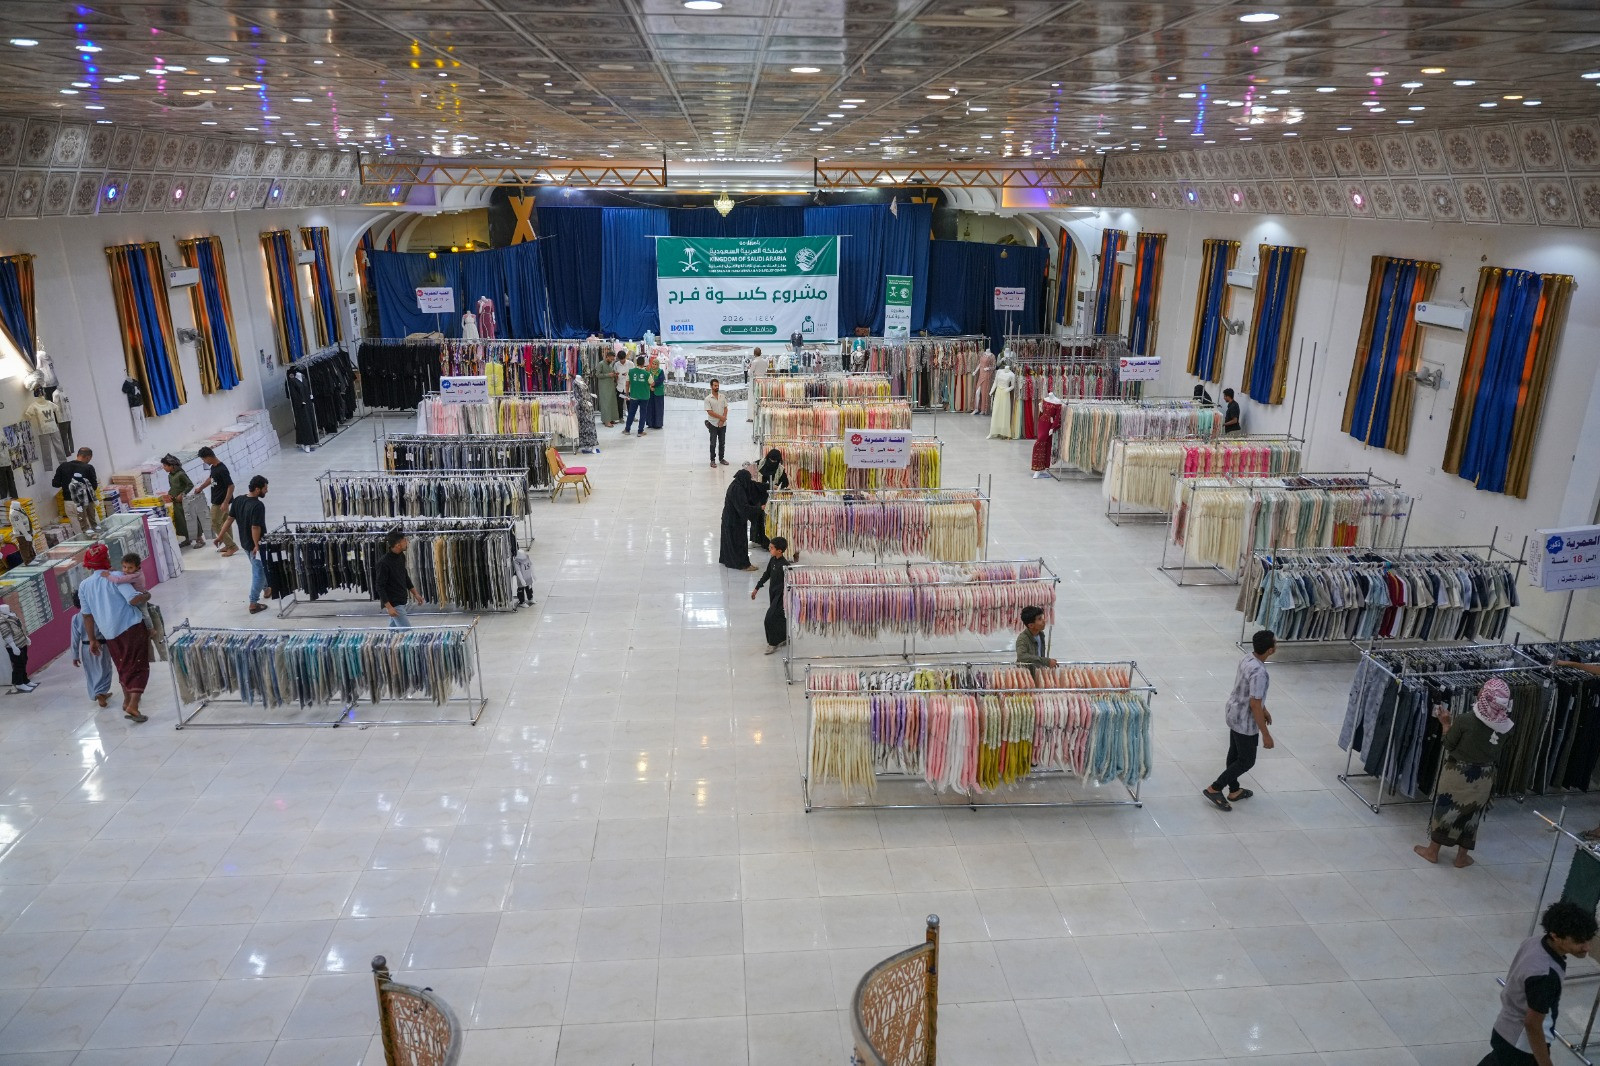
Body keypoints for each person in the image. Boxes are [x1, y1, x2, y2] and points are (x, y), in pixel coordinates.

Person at [1480, 900, 1596, 1066]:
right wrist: (1545, 1063)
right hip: (1522, 1046)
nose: (1587, 947)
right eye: (1579, 941)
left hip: (1504, 1029)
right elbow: (1532, 1024)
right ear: (1556, 936)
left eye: (1588, 940)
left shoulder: (1534, 942)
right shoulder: (1546, 976)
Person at [1414, 677, 1514, 869]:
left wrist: (1445, 724)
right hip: (1485, 778)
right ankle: (1461, 858)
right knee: (1472, 816)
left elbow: (1448, 744)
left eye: (1483, 689)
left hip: (1457, 774)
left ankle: (1432, 852)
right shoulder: (1507, 727)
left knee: (1445, 812)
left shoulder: (1466, 720)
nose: (1479, 691)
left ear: (1485, 696)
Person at [77, 544, 152, 723]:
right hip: (131, 628)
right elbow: (133, 599)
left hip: (109, 634)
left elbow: (87, 616)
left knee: (123, 666)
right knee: (139, 667)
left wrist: (92, 639)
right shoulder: (117, 577)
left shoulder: (84, 586)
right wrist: (146, 596)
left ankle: (126, 701)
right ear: (106, 559)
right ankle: (133, 705)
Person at [1203, 629, 1276, 811]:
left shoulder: (1247, 658)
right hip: (1245, 722)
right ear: (1270, 650)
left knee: (1235, 753)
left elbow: (1250, 693)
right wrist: (1266, 734)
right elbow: (1254, 704)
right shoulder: (1260, 672)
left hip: (1234, 712)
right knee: (1246, 760)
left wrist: (1264, 708)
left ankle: (1234, 790)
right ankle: (1215, 788)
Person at [215, 475, 270, 614]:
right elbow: (255, 527)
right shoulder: (258, 505)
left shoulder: (238, 500)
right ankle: (253, 603)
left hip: (245, 543)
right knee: (258, 572)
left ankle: (267, 589)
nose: (267, 491)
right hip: (255, 545)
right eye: (265, 488)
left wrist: (220, 536)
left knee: (259, 568)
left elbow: (229, 519)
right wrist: (257, 545)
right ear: (257, 489)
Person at [69, 590, 114, 707]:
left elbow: (74, 639)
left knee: (91, 671)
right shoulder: (98, 614)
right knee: (105, 669)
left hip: (85, 648)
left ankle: (99, 692)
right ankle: (100, 693)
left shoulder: (75, 618)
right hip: (101, 645)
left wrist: (75, 655)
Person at [192, 446, 236, 555]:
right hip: (219, 500)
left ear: (208, 457)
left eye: (203, 459)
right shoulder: (214, 467)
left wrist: (225, 502)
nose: (204, 462)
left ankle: (232, 546)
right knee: (226, 522)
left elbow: (231, 486)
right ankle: (229, 545)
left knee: (214, 523)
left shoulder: (222, 469)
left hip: (220, 502)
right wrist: (200, 488)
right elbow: (211, 479)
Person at [719, 469, 765, 572]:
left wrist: (769, 486)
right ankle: (743, 565)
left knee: (730, 541)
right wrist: (759, 508)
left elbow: (753, 485)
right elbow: (743, 508)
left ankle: (727, 560)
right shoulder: (737, 490)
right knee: (739, 542)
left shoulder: (736, 484)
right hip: (735, 521)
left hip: (728, 518)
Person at [376, 529, 423, 628]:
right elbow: (380, 586)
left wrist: (415, 594)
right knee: (407, 633)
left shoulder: (401, 556)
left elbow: (405, 576)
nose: (407, 542)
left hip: (402, 599)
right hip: (394, 603)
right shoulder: (383, 563)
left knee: (394, 632)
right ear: (398, 545)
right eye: (404, 541)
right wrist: (389, 607)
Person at [752, 536, 790, 654]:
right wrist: (757, 588)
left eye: (772, 548)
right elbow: (767, 574)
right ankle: (783, 638)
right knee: (780, 617)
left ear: (779, 551)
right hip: (773, 594)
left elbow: (791, 583)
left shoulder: (786, 566)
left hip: (781, 597)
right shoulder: (773, 560)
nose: (769, 549)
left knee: (769, 619)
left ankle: (772, 643)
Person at [158, 454, 202, 548]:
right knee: (181, 521)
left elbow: (190, 485)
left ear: (171, 465)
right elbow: (172, 487)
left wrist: (182, 494)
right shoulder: (170, 476)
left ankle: (199, 539)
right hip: (176, 503)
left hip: (185, 501)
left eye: (165, 466)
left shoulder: (181, 474)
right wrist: (170, 494)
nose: (164, 468)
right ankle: (188, 538)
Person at [51, 446, 98, 534]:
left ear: (78, 455)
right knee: (93, 530)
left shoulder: (63, 466)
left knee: (79, 532)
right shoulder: (88, 467)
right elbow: (94, 487)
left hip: (69, 503)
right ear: (88, 457)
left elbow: (55, 484)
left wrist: (66, 483)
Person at [0, 602, 35, 694]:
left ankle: (25, 680)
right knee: (18, 664)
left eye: (8, 607)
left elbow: (19, 628)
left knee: (24, 661)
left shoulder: (12, 614)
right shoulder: (2, 619)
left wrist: (25, 637)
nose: (7, 608)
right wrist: (13, 647)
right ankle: (19, 683)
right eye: (5, 608)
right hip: (14, 645)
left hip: (22, 642)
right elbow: (6, 634)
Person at [704, 378, 729, 468]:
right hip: (713, 424)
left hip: (723, 424)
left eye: (718, 385)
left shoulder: (722, 397)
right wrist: (721, 418)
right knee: (713, 443)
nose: (717, 387)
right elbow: (710, 412)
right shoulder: (708, 399)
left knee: (722, 442)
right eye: (715, 385)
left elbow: (725, 408)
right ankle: (712, 460)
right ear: (711, 386)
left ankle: (721, 458)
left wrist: (722, 420)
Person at [624, 355, 651, 436]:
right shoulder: (647, 373)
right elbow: (652, 383)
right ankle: (640, 431)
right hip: (644, 396)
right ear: (644, 363)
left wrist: (627, 394)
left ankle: (627, 430)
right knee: (643, 414)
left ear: (636, 363)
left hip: (634, 396)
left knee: (631, 413)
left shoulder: (630, 372)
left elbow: (627, 384)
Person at [573, 376, 600, 453]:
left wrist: (590, 395)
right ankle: (588, 445)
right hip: (583, 409)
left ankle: (591, 445)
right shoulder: (575, 383)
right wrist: (585, 404)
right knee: (586, 426)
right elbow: (578, 396)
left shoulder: (581, 381)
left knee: (591, 425)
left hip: (589, 406)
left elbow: (585, 392)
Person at [610, 352, 629, 427]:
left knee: (630, 402)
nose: (622, 361)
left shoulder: (630, 364)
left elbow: (633, 373)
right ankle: (620, 417)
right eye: (620, 360)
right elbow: (615, 374)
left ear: (625, 357)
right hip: (620, 387)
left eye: (623, 359)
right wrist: (616, 375)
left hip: (628, 387)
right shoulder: (616, 364)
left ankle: (632, 416)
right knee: (620, 403)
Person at [648, 356, 667, 430]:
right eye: (653, 364)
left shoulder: (660, 371)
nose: (654, 365)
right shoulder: (649, 371)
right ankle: (650, 423)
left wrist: (653, 385)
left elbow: (660, 380)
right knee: (650, 407)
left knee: (658, 408)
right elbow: (647, 380)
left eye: (655, 364)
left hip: (658, 392)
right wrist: (650, 387)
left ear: (658, 365)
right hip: (650, 392)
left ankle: (658, 424)